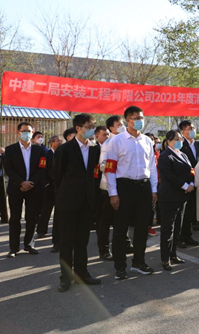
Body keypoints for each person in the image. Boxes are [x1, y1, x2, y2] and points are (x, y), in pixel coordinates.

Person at [105, 106, 158, 279]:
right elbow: (110, 169)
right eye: (137, 118)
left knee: (142, 228)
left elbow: (152, 167)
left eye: (142, 117)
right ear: (128, 120)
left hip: (143, 187)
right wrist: (113, 193)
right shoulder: (117, 141)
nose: (140, 121)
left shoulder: (147, 141)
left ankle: (139, 262)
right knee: (121, 229)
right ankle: (120, 266)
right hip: (124, 187)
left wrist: (154, 189)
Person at [53, 113, 102, 292]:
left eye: (93, 127)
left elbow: (96, 175)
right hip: (67, 202)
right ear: (78, 128)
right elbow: (56, 176)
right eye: (89, 127)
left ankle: (82, 273)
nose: (92, 130)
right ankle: (65, 277)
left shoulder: (95, 149)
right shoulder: (65, 149)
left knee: (82, 241)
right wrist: (62, 197)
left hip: (87, 202)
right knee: (67, 242)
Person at [4, 122, 47, 258]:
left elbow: (42, 168)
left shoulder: (39, 150)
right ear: (18, 133)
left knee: (31, 217)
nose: (27, 133)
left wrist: (30, 183)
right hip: (16, 188)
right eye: (24, 131)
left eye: (29, 131)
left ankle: (29, 244)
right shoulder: (10, 150)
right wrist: (22, 183)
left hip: (34, 189)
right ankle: (14, 248)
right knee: (15, 218)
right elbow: (8, 169)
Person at [97, 115, 132, 261]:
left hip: (124, 186)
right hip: (109, 187)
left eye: (123, 123)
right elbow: (103, 165)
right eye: (119, 124)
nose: (123, 126)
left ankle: (126, 243)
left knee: (123, 217)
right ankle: (104, 250)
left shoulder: (126, 140)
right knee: (106, 220)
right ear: (111, 128)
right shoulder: (108, 143)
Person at [157, 130, 193, 271]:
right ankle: (165, 258)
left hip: (182, 197)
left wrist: (191, 183)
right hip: (169, 197)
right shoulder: (165, 156)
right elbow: (169, 176)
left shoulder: (183, 154)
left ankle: (173, 254)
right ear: (168, 141)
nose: (179, 141)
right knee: (168, 228)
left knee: (178, 227)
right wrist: (185, 185)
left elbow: (190, 171)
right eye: (176, 139)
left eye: (180, 139)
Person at [178, 120, 199, 247]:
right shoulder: (180, 145)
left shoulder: (198, 144)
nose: (192, 130)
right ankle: (179, 237)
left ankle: (188, 235)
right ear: (183, 132)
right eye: (189, 128)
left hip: (197, 181)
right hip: (186, 183)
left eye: (193, 128)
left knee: (191, 211)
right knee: (183, 212)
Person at [36, 136, 62, 243]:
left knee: (59, 210)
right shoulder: (46, 154)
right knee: (46, 209)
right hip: (49, 186)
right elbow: (42, 170)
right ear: (51, 143)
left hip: (60, 186)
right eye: (57, 141)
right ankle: (41, 230)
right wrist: (45, 183)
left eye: (60, 141)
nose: (60, 142)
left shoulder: (62, 154)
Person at [0, 146, 7, 224]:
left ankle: (4, 217)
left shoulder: (3, 155)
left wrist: (3, 154)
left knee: (2, 199)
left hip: (2, 180)